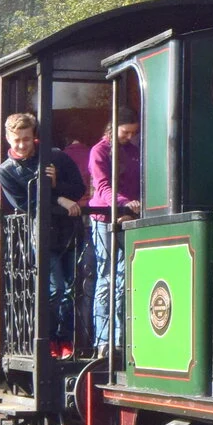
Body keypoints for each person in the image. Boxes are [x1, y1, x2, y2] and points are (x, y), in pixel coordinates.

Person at [0, 112, 84, 348]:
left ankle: (70, 340)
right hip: (42, 235)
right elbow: (26, 205)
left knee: (75, 288)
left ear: (33, 135)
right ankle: (55, 341)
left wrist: (56, 185)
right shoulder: (6, 171)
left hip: (69, 232)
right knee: (57, 290)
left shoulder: (55, 156)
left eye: (26, 139)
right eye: (17, 140)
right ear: (8, 139)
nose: (22, 145)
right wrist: (59, 200)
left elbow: (79, 188)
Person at [85, 119, 141, 355]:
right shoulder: (99, 151)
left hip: (128, 216)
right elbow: (103, 186)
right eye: (125, 132)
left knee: (123, 280)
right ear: (113, 127)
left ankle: (120, 339)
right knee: (107, 278)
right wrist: (124, 204)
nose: (129, 136)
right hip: (104, 218)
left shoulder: (133, 151)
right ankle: (102, 339)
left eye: (133, 132)